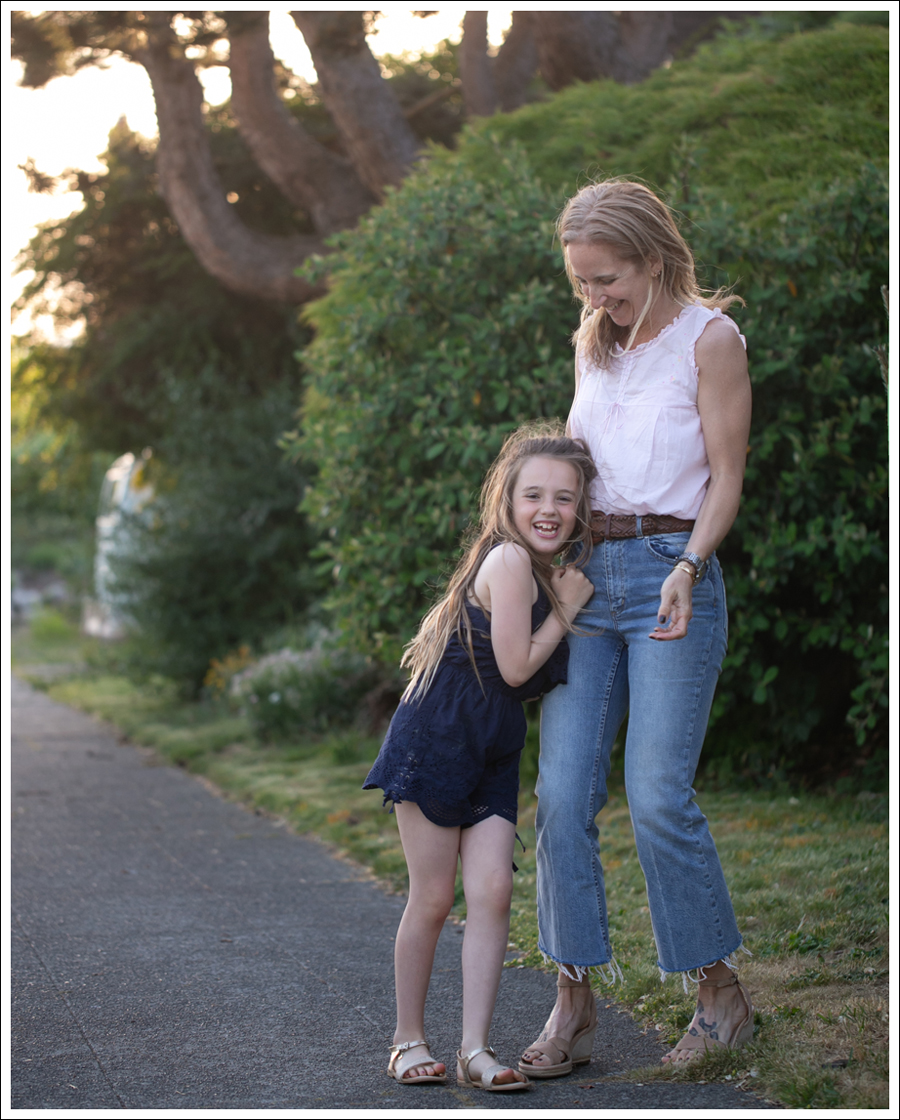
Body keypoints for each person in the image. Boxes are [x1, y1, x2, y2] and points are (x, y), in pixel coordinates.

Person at [518, 179, 754, 1077]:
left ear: (652, 259)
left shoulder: (710, 340)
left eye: (606, 278)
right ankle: (573, 999)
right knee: (560, 797)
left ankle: (718, 992)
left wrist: (689, 566)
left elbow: (725, 477)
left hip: (669, 575)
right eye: (580, 281)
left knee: (656, 796)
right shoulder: (596, 342)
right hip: (585, 579)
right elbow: (581, 467)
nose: (593, 295)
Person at [364, 424, 597, 1090]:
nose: (549, 509)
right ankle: (407, 1040)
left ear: (581, 509)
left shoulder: (542, 571)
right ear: (507, 501)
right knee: (434, 897)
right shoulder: (511, 561)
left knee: (493, 890)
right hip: (437, 741)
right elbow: (518, 668)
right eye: (534, 495)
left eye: (565, 497)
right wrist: (567, 610)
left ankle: (475, 1050)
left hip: (492, 751)